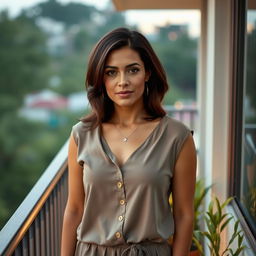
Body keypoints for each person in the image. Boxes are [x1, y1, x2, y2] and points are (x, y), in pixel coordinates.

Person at [61, 27, 197, 256]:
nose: (122, 81)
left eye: (132, 70)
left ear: (147, 73)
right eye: (111, 73)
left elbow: (184, 214)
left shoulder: (177, 137)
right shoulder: (81, 135)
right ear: (100, 78)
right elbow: (74, 209)